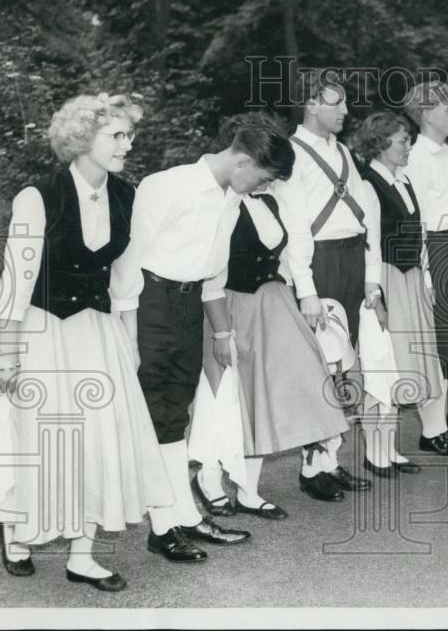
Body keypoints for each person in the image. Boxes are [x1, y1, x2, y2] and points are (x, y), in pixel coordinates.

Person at [0, 93, 174, 592]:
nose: (127, 144)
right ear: (80, 138)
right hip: (43, 330)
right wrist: (8, 353)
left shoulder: (125, 195)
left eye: (130, 135)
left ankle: (83, 555)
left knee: (101, 438)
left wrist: (130, 343)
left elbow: (126, 278)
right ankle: (16, 529)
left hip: (99, 331)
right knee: (42, 438)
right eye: (117, 135)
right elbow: (16, 282)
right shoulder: (38, 196)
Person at [112, 108, 295, 560]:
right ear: (243, 161)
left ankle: (184, 517)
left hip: (189, 306)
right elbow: (127, 263)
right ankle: (162, 526)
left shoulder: (231, 197)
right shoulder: (166, 185)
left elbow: (214, 273)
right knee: (155, 413)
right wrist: (128, 335)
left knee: (175, 415)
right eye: (264, 178)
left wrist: (221, 332)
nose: (264, 188)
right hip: (149, 302)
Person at [192, 113, 350, 518]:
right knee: (227, 396)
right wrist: (220, 328)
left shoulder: (269, 200)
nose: (269, 179)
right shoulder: (213, 202)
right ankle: (210, 479)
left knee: (280, 387)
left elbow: (290, 243)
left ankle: (248, 488)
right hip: (227, 305)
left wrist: (303, 290)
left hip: (271, 301)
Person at [273, 69, 378, 501]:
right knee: (321, 362)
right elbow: (294, 224)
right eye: (336, 103)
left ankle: (331, 458)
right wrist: (307, 289)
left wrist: (370, 275)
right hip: (319, 261)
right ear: (312, 102)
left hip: (350, 258)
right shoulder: (291, 155)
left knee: (343, 360)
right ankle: (312, 466)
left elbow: (363, 215)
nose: (346, 111)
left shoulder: (343, 151)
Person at [355, 111, 448, 462]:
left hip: (412, 279)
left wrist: (426, 278)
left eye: (409, 139)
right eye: (402, 141)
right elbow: (372, 243)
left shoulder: (403, 182)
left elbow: (419, 234)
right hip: (388, 279)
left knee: (408, 361)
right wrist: (374, 292)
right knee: (384, 363)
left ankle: (390, 450)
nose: (408, 146)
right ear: (380, 145)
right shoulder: (369, 184)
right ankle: (376, 453)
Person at [401, 81, 448, 438]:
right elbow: (417, 220)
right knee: (439, 340)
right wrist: (427, 275)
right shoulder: (417, 159)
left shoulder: (447, 154)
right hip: (435, 249)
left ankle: (445, 423)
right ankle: (434, 430)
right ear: (428, 113)